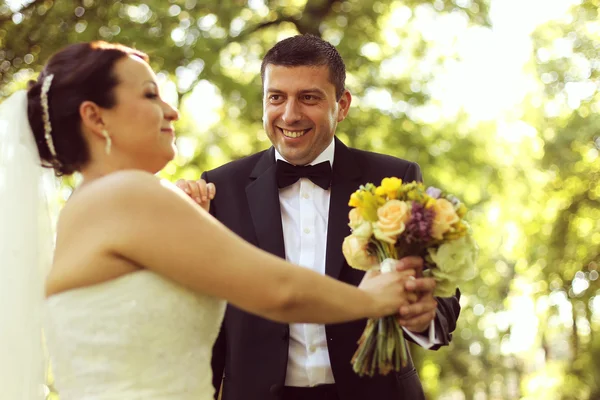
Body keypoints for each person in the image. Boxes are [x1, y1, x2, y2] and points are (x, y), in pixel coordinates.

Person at [0, 41, 423, 400]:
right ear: (95, 117)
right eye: (150, 95)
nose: (172, 112)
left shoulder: (88, 203)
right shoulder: (129, 194)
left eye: (308, 97)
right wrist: (373, 300)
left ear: (341, 104)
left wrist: (189, 232)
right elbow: (279, 290)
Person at [184, 34, 461, 400]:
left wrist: (425, 318)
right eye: (276, 97)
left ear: (342, 105)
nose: (290, 114)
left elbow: (439, 290)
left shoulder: (394, 180)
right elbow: (209, 319)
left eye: (309, 97)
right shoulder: (220, 189)